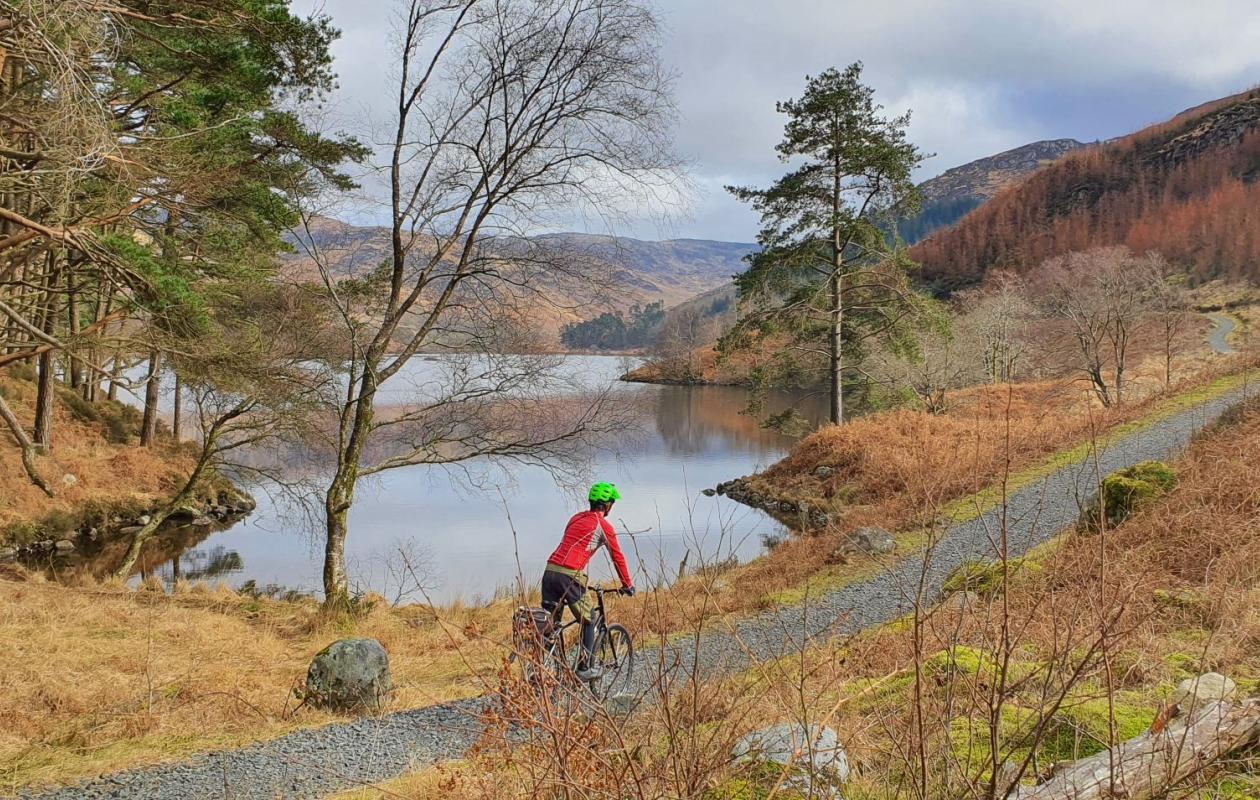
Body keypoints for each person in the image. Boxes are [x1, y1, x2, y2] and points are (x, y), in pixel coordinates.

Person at [541, 481, 635, 680]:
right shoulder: (603, 525)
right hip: (569, 575)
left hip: (550, 572)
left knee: (550, 625)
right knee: (589, 618)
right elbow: (617, 556)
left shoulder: (575, 518)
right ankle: (584, 668)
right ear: (608, 504)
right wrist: (627, 584)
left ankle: (542, 665)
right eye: (612, 503)